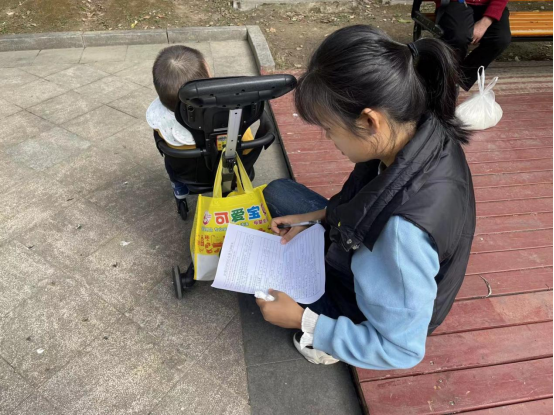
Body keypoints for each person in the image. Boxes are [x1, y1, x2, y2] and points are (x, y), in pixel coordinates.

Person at [256, 25, 476, 369]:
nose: (329, 139)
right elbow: (367, 201)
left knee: (264, 291)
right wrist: (314, 220)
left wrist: (303, 321)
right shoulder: (416, 131)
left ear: (370, 121)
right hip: (370, 254)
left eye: (329, 129)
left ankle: (334, 342)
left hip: (378, 312)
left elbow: (402, 351)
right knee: (278, 192)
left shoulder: (402, 237)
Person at [147, 46, 256, 208]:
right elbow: (248, 148)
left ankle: (179, 188)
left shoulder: (162, 123)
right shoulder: (233, 118)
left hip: (190, 175)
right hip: (228, 172)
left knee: (171, 161)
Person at [437, 0, 512, 91]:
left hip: (490, 4)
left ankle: (457, 79)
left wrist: (484, 23)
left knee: (501, 39)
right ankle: (447, 79)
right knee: (459, 36)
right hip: (457, 2)